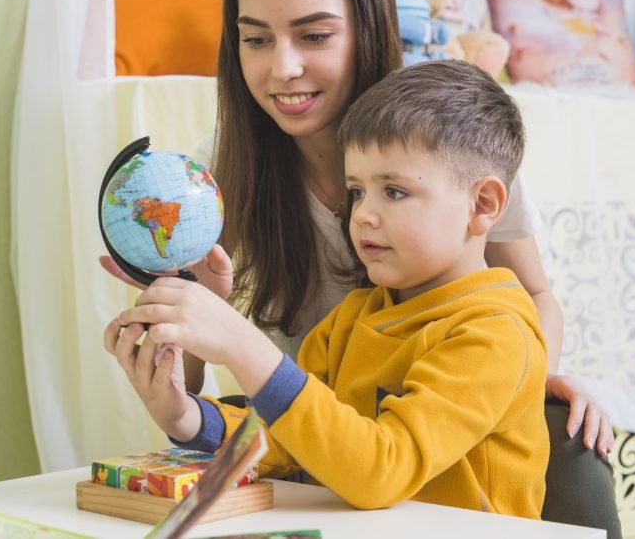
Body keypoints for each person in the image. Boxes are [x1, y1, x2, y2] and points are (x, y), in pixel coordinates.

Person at [99, 0, 613, 453]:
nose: (283, 68)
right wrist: (184, 328)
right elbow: (202, 396)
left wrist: (521, 380)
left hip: (417, 446)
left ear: (368, 27)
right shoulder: (213, 177)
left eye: (314, 36)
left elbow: (534, 294)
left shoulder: (445, 143)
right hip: (306, 449)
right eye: (256, 40)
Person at [105, 59, 549, 517]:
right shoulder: (353, 317)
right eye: (356, 191)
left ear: (483, 204)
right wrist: (184, 415)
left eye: (393, 191)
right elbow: (289, 439)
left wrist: (243, 346)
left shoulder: (495, 335)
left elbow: (381, 471)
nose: (363, 215)